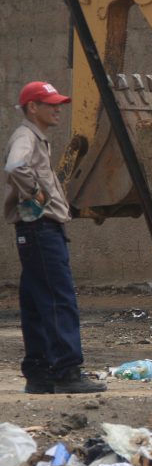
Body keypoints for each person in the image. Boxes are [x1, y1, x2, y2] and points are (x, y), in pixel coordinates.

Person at [3, 81, 106, 395]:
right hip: (41, 231)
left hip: (34, 231)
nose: (58, 107)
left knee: (35, 301)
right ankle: (66, 371)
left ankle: (39, 373)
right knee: (60, 299)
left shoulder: (34, 137)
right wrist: (37, 194)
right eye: (51, 103)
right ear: (33, 108)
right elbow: (15, 166)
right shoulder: (25, 136)